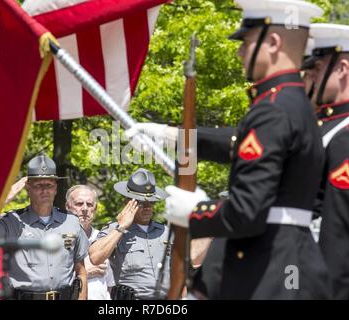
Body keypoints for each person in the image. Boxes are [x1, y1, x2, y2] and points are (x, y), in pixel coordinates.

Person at [133, 0, 331, 299]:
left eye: (247, 42)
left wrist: (196, 211)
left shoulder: (273, 110)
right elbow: (240, 142)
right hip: (285, 259)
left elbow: (246, 211)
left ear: (273, 42)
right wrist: (172, 135)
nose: (240, 51)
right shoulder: (292, 104)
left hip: (267, 267)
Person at [308, 23, 349, 299]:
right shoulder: (335, 126)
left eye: (318, 69)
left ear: (342, 69)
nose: (311, 78)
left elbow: (340, 238)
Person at [0, 154, 89, 300]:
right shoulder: (11, 222)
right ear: (28, 189)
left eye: (49, 185)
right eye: (38, 186)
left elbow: (81, 271)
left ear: (55, 188)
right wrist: (3, 199)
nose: (45, 190)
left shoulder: (71, 222)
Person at [89, 168, 172, 300]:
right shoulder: (114, 229)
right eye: (141, 202)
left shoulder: (165, 231)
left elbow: (182, 270)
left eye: (151, 202)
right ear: (128, 202)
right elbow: (95, 257)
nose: (147, 206)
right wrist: (121, 228)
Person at [65, 184, 115, 300]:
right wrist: (83, 272)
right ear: (67, 206)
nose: (85, 209)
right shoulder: (56, 237)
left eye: (89, 204)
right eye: (79, 204)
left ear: (95, 208)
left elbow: (109, 285)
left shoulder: (103, 239)